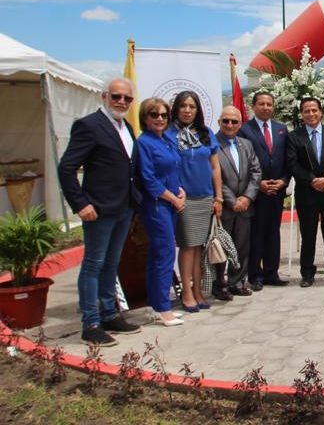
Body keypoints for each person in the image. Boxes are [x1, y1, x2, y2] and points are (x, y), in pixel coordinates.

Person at [58, 78, 143, 346]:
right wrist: (81, 204)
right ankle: (90, 323)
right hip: (98, 210)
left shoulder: (126, 127)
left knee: (111, 264)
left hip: (123, 208)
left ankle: (109, 314)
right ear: (104, 96)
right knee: (93, 264)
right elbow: (66, 168)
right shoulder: (89, 126)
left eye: (127, 98)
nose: (122, 102)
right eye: (116, 96)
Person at [168, 91, 222, 312]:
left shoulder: (206, 133)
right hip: (185, 199)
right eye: (183, 106)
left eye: (192, 106)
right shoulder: (169, 134)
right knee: (188, 246)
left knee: (199, 247)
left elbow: (215, 167)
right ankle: (187, 292)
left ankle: (199, 290)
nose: (188, 110)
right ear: (176, 109)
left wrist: (218, 196)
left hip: (205, 196)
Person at [134, 97, 185, 327]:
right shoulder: (144, 142)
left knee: (159, 255)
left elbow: (173, 170)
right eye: (154, 115)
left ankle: (156, 302)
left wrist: (180, 190)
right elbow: (148, 178)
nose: (160, 119)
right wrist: (173, 198)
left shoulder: (166, 140)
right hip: (157, 205)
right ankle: (163, 308)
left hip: (171, 203)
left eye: (164, 115)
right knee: (165, 254)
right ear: (145, 118)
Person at [287, 97, 324, 287]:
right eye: (306, 111)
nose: (311, 114)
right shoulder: (294, 136)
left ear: (320, 112)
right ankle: (307, 273)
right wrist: (311, 179)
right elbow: (292, 164)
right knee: (308, 235)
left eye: (314, 110)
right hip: (307, 192)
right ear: (301, 114)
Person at [238, 91, 290, 290]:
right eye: (262, 104)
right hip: (255, 192)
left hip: (276, 191)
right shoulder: (244, 130)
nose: (266, 107)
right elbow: (243, 162)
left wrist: (284, 181)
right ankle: (255, 274)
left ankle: (271, 272)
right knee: (256, 234)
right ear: (253, 106)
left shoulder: (281, 129)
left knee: (273, 233)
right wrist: (257, 183)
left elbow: (287, 159)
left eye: (269, 104)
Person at [213, 106, 261, 300]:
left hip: (245, 206)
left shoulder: (246, 144)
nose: (230, 125)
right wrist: (232, 201)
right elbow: (214, 177)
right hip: (224, 206)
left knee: (241, 246)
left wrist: (247, 197)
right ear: (219, 122)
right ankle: (219, 284)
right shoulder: (212, 144)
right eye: (226, 121)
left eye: (234, 121)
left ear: (240, 124)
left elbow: (256, 172)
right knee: (222, 247)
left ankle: (237, 282)